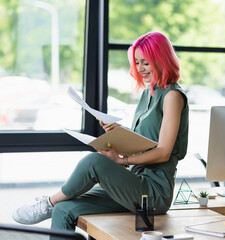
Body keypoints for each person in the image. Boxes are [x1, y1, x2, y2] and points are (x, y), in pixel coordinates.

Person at [12, 32, 189, 234]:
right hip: (132, 184)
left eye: (145, 63)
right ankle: (55, 205)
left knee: (94, 162)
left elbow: (164, 152)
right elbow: (147, 140)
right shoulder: (149, 93)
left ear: (161, 60)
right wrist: (120, 132)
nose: (140, 68)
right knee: (64, 210)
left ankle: (49, 202)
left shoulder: (172, 96)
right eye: (137, 62)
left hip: (153, 193)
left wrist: (123, 160)